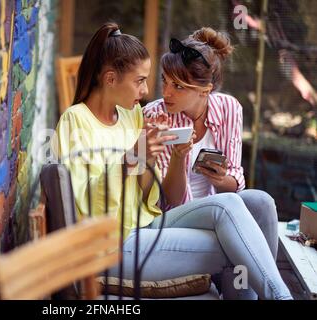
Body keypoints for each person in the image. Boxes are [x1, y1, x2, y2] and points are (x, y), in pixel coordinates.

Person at [52, 22, 292, 300]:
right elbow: (84, 207)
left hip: (146, 224)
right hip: (110, 243)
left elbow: (145, 198)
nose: (146, 92)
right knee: (242, 241)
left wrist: (147, 160)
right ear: (110, 79)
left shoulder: (131, 116)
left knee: (233, 204)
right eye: (140, 81)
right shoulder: (75, 122)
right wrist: (129, 161)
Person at [143, 27, 280, 298]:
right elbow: (169, 199)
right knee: (226, 207)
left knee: (262, 201)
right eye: (165, 81)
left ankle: (249, 295)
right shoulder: (154, 115)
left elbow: (236, 183)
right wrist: (180, 156)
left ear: (205, 90)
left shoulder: (229, 108)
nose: (166, 92)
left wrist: (221, 179)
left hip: (222, 206)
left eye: (179, 86)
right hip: (176, 214)